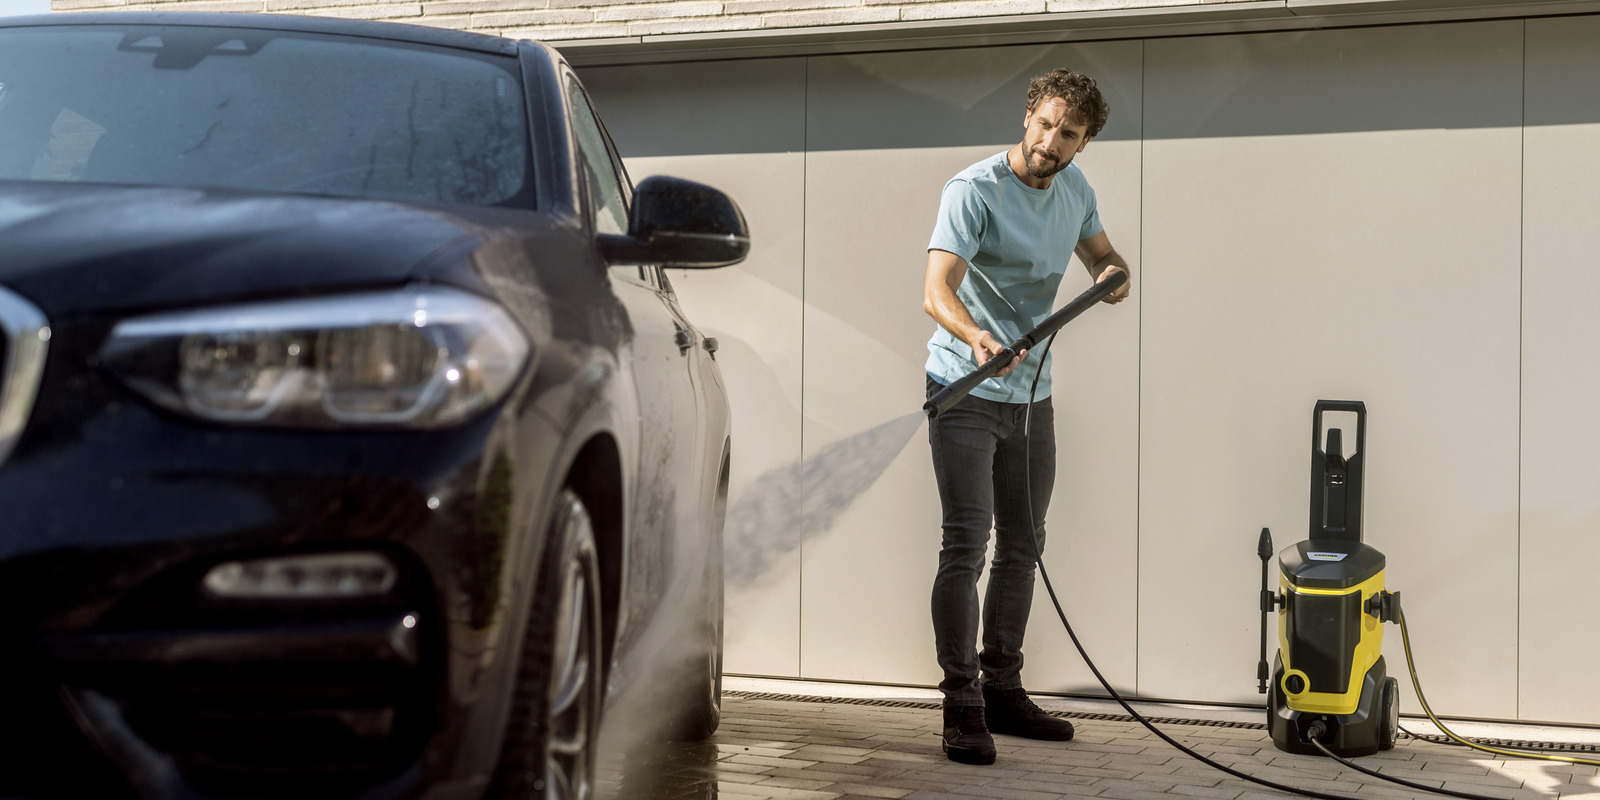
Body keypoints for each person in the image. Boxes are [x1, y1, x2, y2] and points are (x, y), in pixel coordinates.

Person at [921, 67, 1130, 766]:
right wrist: (976, 336)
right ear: (1027, 118)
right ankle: (962, 703)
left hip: (1031, 398)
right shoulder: (973, 190)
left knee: (1023, 545)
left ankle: (1003, 690)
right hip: (965, 387)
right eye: (1045, 124)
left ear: (1084, 142)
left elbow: (1105, 258)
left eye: (1068, 134)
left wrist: (1111, 275)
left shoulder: (1076, 191)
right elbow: (936, 290)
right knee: (966, 545)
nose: (1051, 142)